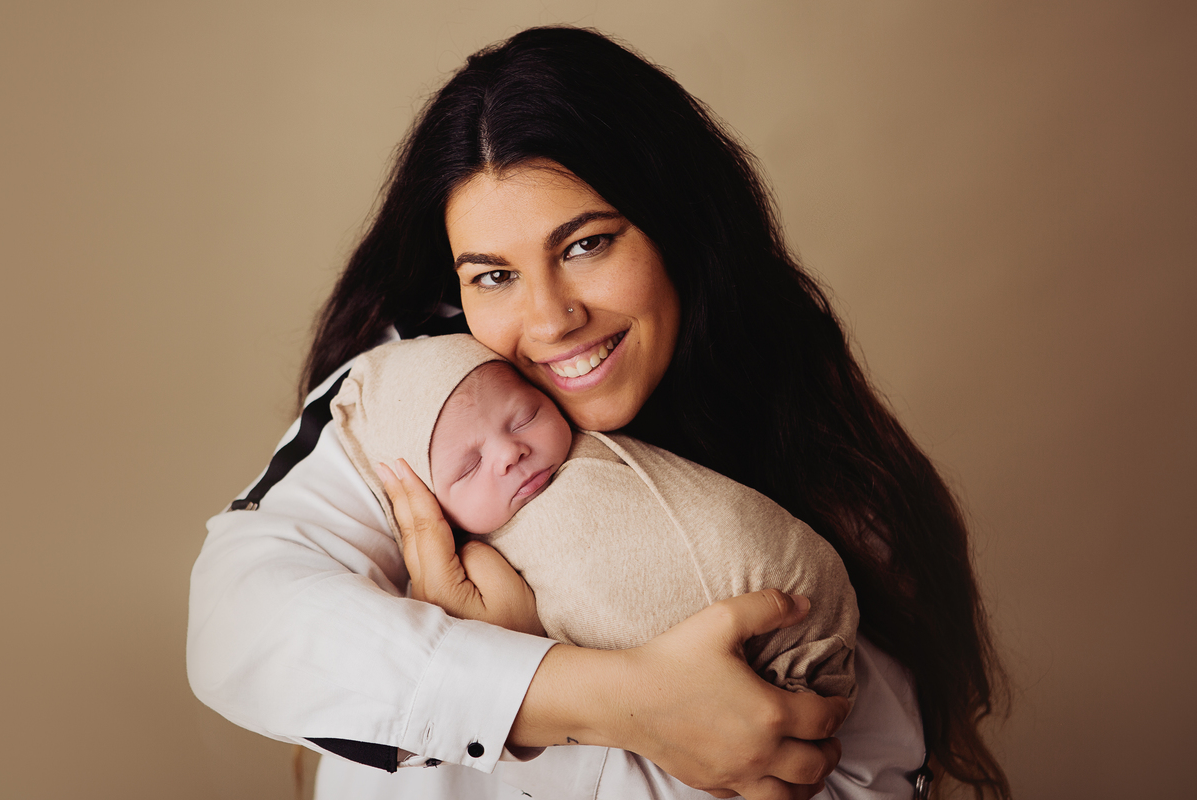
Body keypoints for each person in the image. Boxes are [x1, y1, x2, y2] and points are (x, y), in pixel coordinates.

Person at [187, 25, 1009, 800]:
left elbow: (855, 780)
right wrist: (588, 697)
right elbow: (238, 627)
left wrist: (558, 696)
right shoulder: (422, 402)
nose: (550, 320)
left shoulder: (823, 470)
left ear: (680, 229)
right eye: (493, 275)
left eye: (586, 244)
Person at [330, 334, 858, 702]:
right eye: (468, 467)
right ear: (428, 504)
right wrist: (506, 642)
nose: (510, 453)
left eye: (525, 417)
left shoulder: (597, 439)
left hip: (799, 603)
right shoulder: (480, 563)